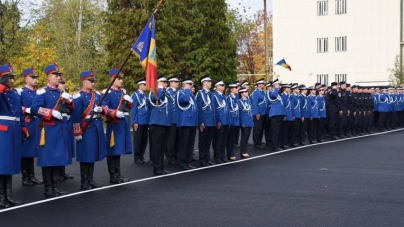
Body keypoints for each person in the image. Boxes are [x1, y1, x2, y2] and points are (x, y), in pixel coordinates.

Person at [31, 62, 73, 197]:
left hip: (60, 130)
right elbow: (34, 109)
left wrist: (70, 103)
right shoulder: (42, 92)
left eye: (59, 75)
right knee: (48, 160)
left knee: (57, 159)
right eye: (55, 75)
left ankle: (55, 187)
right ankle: (48, 189)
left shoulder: (62, 93)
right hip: (49, 130)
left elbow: (70, 110)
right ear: (49, 77)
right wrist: (50, 113)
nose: (58, 77)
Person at [72, 69, 108, 190]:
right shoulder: (78, 96)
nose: (93, 83)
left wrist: (101, 110)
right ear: (84, 82)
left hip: (95, 126)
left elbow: (106, 107)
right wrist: (77, 131)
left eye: (93, 81)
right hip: (85, 127)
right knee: (85, 154)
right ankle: (84, 181)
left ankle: (90, 179)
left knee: (92, 153)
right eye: (90, 81)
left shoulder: (97, 95)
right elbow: (76, 116)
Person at [0, 63, 25, 207]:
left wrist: (23, 128)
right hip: (2, 132)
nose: (12, 81)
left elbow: (20, 112)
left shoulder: (15, 93)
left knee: (8, 164)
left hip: (14, 130)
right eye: (9, 78)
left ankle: (8, 196)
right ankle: (1, 197)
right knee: (1, 164)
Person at [103, 68, 133, 184]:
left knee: (118, 150)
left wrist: (130, 103)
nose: (121, 81)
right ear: (113, 79)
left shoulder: (123, 92)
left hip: (122, 124)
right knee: (112, 151)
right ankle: (113, 176)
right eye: (119, 79)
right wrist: (115, 113)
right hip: (113, 125)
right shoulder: (108, 92)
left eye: (121, 79)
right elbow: (104, 108)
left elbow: (128, 107)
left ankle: (118, 175)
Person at [18, 67, 43, 186]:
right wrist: (26, 109)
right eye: (32, 78)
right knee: (25, 151)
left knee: (32, 151)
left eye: (35, 78)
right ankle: (25, 177)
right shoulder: (21, 92)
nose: (35, 80)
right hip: (27, 123)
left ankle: (32, 176)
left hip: (36, 125)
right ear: (26, 79)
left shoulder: (36, 93)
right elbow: (17, 107)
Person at [148, 75, 171, 175]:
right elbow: (154, 98)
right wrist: (160, 88)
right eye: (164, 82)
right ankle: (156, 168)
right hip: (157, 123)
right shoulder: (155, 91)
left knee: (162, 147)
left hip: (165, 123)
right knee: (157, 147)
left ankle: (161, 166)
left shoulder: (166, 94)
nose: (166, 84)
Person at [177, 77, 198, 170]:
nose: (192, 86)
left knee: (190, 144)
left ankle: (188, 161)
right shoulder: (180, 93)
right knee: (184, 144)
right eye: (190, 85)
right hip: (184, 122)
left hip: (192, 122)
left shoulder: (191, 95)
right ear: (185, 85)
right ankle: (182, 162)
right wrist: (187, 90)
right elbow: (184, 100)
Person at [57, 74, 75, 181]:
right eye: (61, 83)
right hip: (59, 120)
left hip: (67, 120)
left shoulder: (66, 94)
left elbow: (73, 108)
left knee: (66, 146)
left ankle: (62, 171)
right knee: (60, 146)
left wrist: (70, 103)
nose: (63, 85)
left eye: (64, 83)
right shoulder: (55, 95)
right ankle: (57, 172)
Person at [196, 75, 216, 166]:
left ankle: (207, 157)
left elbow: (213, 108)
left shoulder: (211, 94)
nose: (210, 83)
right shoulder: (200, 93)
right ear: (204, 82)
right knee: (203, 141)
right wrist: (200, 121)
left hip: (211, 121)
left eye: (210, 81)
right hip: (205, 121)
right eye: (208, 81)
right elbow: (199, 109)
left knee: (208, 141)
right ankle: (202, 158)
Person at [131, 78, 151, 164]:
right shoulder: (135, 95)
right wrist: (135, 121)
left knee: (144, 139)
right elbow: (134, 109)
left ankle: (141, 156)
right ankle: (137, 157)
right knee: (138, 140)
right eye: (145, 85)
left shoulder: (145, 95)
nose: (146, 86)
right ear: (140, 85)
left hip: (145, 121)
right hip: (139, 121)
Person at [212, 79, 230, 164]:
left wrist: (228, 121)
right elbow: (215, 110)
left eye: (224, 85)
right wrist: (217, 121)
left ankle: (223, 155)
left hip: (225, 121)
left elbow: (227, 109)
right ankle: (217, 157)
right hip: (220, 121)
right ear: (217, 87)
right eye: (222, 86)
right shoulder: (215, 96)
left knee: (223, 140)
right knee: (218, 141)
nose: (223, 87)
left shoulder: (224, 96)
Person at [165, 75, 180, 165]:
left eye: (178, 82)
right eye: (175, 82)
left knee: (177, 139)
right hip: (171, 119)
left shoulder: (178, 92)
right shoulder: (168, 92)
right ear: (170, 83)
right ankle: (170, 157)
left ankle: (176, 155)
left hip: (178, 119)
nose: (178, 83)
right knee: (171, 139)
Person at [268, 79, 285, 151]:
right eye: (277, 84)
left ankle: (277, 145)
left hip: (279, 113)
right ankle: (274, 146)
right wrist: (277, 88)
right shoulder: (271, 92)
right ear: (274, 85)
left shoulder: (278, 93)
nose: (278, 85)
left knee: (279, 131)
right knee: (275, 131)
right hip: (274, 114)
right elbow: (273, 96)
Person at [251, 79, 267, 148]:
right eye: (262, 84)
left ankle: (259, 141)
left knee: (261, 128)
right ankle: (256, 142)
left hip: (263, 113)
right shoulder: (256, 92)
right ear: (259, 84)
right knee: (257, 128)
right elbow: (255, 104)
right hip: (259, 113)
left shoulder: (262, 92)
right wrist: (257, 113)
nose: (264, 85)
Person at [238, 87, 253, 158]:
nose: (247, 93)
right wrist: (242, 122)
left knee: (247, 137)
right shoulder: (240, 102)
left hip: (249, 121)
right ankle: (243, 151)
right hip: (245, 121)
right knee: (244, 137)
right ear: (241, 94)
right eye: (245, 92)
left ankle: (245, 150)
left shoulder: (248, 101)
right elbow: (241, 113)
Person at [226, 82, 240, 161]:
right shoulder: (229, 98)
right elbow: (228, 110)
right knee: (230, 139)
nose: (237, 89)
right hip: (231, 120)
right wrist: (229, 122)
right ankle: (230, 154)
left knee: (233, 138)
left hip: (236, 120)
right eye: (235, 88)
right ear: (231, 89)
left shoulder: (235, 98)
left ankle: (231, 153)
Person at [280, 84, 292, 149]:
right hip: (285, 114)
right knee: (284, 130)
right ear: (284, 88)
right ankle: (283, 143)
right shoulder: (283, 96)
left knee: (287, 130)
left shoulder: (288, 96)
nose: (289, 89)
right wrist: (284, 115)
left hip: (289, 114)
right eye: (287, 88)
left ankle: (286, 142)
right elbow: (283, 106)